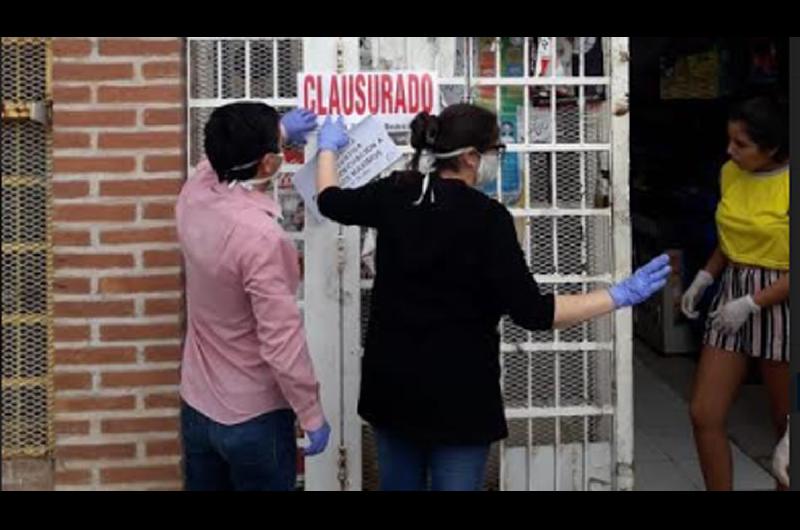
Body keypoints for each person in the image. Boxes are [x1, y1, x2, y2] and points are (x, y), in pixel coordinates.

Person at [313, 103, 671, 491]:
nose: (499, 158)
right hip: (460, 396)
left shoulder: (395, 193)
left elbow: (329, 200)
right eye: (497, 149)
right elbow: (533, 312)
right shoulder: (488, 218)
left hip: (393, 389)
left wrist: (328, 148)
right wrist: (618, 296)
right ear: (470, 157)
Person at [176, 102, 330, 491]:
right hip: (253, 417)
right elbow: (281, 340)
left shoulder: (192, 197)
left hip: (197, 406)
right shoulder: (260, 237)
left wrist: (277, 132)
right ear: (266, 164)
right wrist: (310, 414)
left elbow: (211, 165)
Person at [681, 96, 789, 491]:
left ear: (772, 147)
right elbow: (733, 236)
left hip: (781, 302)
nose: (730, 151)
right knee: (704, 412)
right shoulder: (731, 173)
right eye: (730, 141)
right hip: (733, 292)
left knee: (787, 428)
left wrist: (753, 303)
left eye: (741, 144)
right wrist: (706, 278)